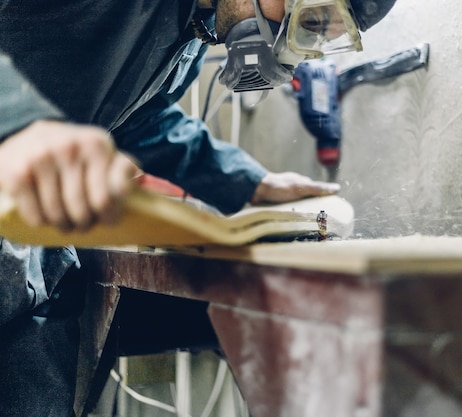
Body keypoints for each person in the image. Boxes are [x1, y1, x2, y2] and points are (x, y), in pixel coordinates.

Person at [0, 0, 397, 415]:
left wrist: (250, 182)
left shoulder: (197, 24)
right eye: (308, 20)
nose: (291, 43)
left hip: (31, 263)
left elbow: (141, 119)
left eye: (315, 34)